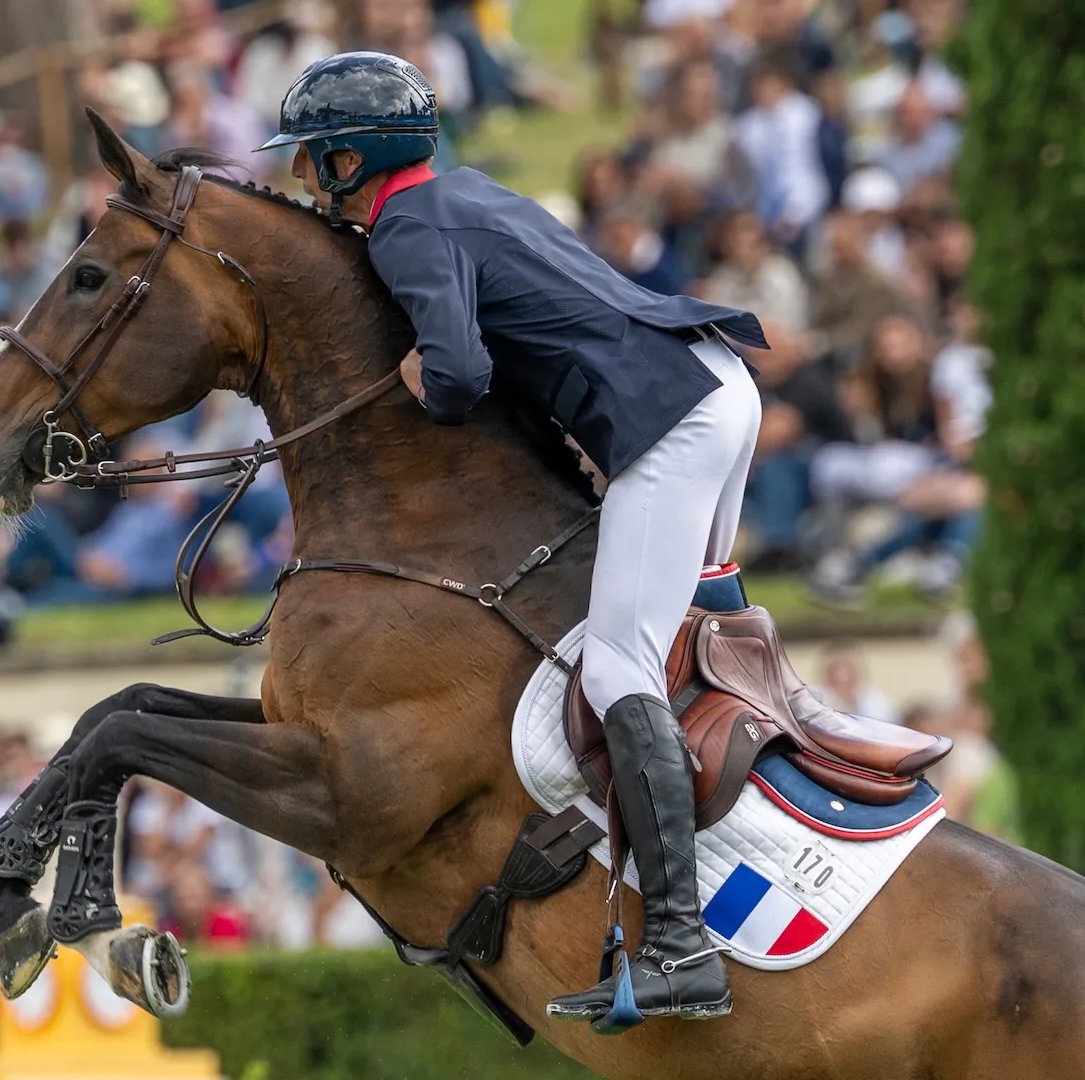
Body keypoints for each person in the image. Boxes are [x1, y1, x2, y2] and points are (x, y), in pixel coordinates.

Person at [259, 50, 845, 1026]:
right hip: (717, 381)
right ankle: (783, 796)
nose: (308, 177)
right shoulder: (462, 190)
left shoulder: (407, 225)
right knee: (698, 616)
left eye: (317, 157)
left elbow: (454, 374)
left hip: (672, 419)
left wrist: (415, 385)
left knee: (620, 671)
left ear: (354, 160)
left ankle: (680, 948)